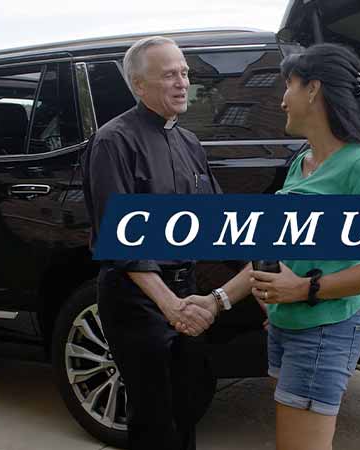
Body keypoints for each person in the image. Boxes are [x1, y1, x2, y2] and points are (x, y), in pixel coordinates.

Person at [178, 43, 360, 450]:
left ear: (313, 90)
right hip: (287, 328)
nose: (281, 99)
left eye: (287, 86)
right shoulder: (304, 159)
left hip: (323, 332)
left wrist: (303, 289)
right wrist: (217, 300)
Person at [83, 36, 222, 450]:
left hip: (186, 292)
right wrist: (170, 305)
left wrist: (263, 285)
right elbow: (122, 240)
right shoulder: (113, 142)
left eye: (183, 72)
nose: (182, 82)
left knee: (190, 403)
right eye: (168, 75)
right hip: (137, 298)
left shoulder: (189, 142)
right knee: (154, 416)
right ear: (139, 86)